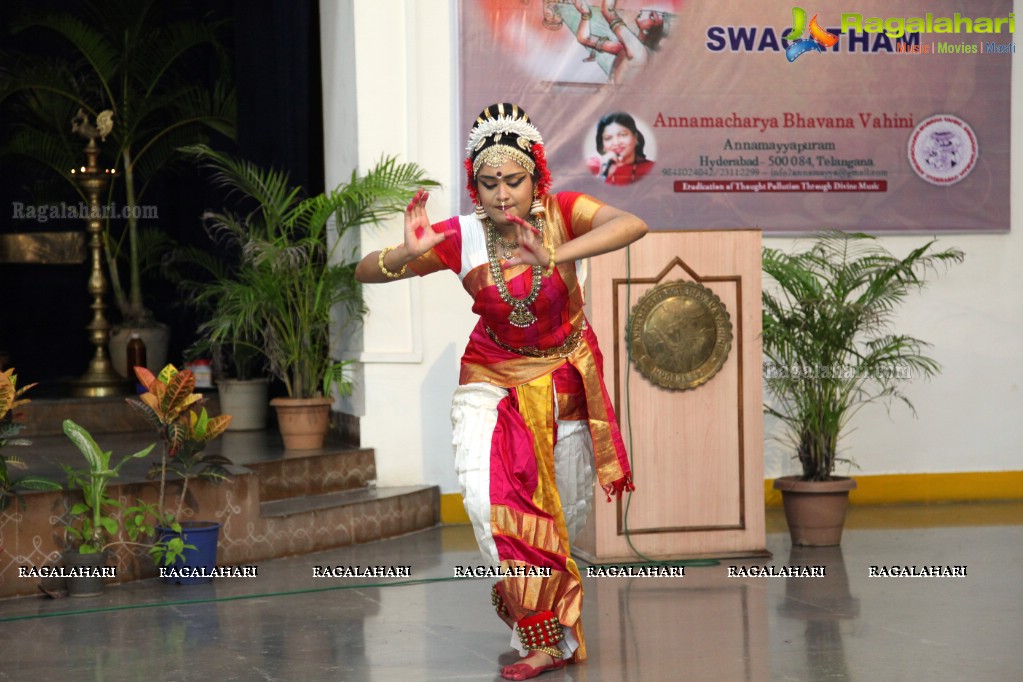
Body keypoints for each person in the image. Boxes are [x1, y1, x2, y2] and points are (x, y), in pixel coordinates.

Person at [355, 102, 647, 680]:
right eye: (488, 183)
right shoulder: (462, 236)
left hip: (563, 382)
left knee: (562, 514)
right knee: (493, 508)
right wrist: (405, 255)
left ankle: (548, 630)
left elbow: (632, 224)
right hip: (491, 378)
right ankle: (539, 633)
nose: (502, 194)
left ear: (535, 176)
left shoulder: (562, 214)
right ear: (475, 186)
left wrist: (556, 254)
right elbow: (363, 270)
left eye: (513, 180)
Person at [571, 0, 667, 83]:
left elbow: (607, 10)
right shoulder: (627, 49)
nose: (646, 12)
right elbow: (584, 39)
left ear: (646, 31)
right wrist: (586, 15)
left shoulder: (638, 51)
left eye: (652, 17)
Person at [587, 111, 655, 186]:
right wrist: (602, 174)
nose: (616, 143)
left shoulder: (651, 169)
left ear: (635, 138)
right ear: (603, 145)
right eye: (608, 138)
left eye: (623, 135)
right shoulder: (591, 166)